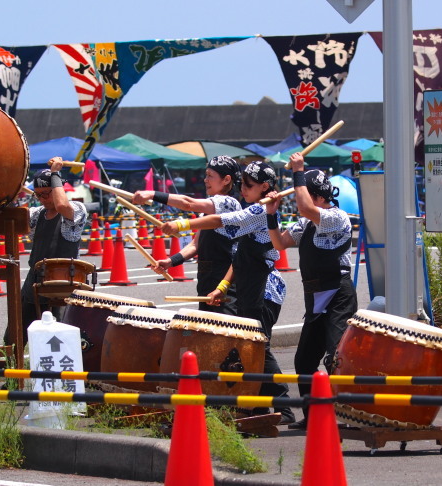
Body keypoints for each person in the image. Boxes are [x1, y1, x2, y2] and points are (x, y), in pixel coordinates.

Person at [160, 160, 294, 425]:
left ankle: (283, 405)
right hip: (248, 288)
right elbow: (238, 257)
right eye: (242, 183)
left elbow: (222, 219)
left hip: (265, 290)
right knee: (247, 347)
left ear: (264, 187)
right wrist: (221, 287)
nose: (242, 188)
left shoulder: (258, 211)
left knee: (258, 348)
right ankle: (254, 403)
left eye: (248, 184)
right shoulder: (255, 209)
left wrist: (182, 225)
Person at [264, 152, 357, 430]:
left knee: (335, 358)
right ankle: (312, 414)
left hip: (338, 294)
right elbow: (280, 242)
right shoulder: (305, 224)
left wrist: (298, 171)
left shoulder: (336, 217)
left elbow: (305, 208)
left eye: (303, 193)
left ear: (316, 196)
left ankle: (348, 414)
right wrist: (272, 214)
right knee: (304, 360)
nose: (300, 201)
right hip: (315, 297)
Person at [131, 155, 241, 314]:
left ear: (226, 180)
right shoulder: (210, 210)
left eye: (210, 175)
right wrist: (170, 261)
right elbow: (195, 245)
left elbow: (188, 203)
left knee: (225, 332)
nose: (205, 180)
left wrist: (153, 194)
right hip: (207, 281)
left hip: (224, 282)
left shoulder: (229, 203)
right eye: (206, 175)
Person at [4, 157, 88, 347]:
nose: (43, 199)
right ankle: (12, 373)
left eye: (47, 194)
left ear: (58, 188)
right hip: (36, 279)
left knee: (62, 336)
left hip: (65, 281)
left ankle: (67, 374)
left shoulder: (76, 209)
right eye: (39, 195)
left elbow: (62, 206)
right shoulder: (37, 214)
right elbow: (13, 217)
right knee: (14, 335)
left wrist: (56, 174)